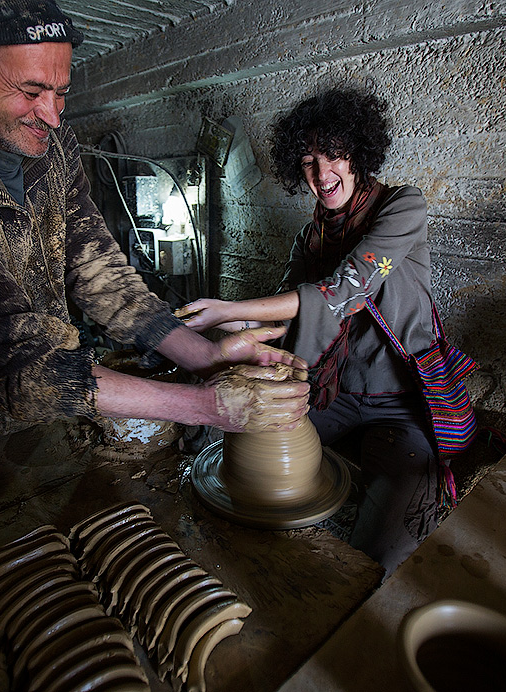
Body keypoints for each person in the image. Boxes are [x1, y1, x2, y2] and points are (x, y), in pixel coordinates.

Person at [0, 0, 309, 451]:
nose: (52, 116)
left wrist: (207, 356)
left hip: (64, 392)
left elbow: (99, 273)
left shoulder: (54, 147)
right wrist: (203, 406)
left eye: (60, 92)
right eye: (31, 91)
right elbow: (12, 362)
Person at [176, 86, 443, 577]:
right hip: (331, 392)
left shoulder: (403, 208)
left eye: (334, 154)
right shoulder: (311, 235)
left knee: (379, 556)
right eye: (307, 162)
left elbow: (345, 288)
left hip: (399, 401)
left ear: (358, 152)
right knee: (229, 451)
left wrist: (229, 307)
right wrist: (221, 325)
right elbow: (282, 320)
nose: (322, 175)